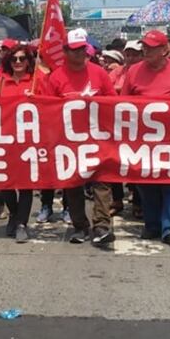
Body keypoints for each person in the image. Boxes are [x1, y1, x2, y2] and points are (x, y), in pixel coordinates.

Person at [120, 29, 170, 248]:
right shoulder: (134, 71)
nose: (146, 50)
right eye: (144, 46)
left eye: (151, 47)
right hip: (143, 139)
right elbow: (122, 103)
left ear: (164, 50)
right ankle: (152, 224)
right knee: (146, 183)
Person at [44, 28, 117, 247]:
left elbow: (113, 102)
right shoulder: (56, 77)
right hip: (69, 140)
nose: (79, 54)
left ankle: (102, 226)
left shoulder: (99, 73)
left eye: (82, 50)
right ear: (65, 51)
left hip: (98, 137)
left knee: (102, 182)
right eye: (74, 50)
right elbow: (47, 109)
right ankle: (80, 226)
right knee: (73, 183)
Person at [0, 46, 40, 239]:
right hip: (6, 139)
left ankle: (21, 223)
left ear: (29, 61)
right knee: (5, 182)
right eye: (14, 59)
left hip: (29, 140)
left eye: (22, 59)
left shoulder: (37, 80)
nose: (18, 62)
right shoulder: (2, 81)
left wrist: (36, 99)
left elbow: (50, 103)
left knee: (25, 183)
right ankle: (14, 213)